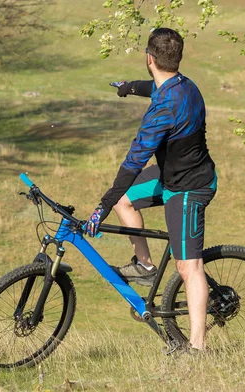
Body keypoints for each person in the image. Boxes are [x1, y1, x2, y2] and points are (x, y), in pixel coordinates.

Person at [86, 28, 217, 350]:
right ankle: (144, 265)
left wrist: (101, 206)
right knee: (126, 201)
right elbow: (155, 87)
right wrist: (129, 88)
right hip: (174, 172)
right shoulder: (184, 85)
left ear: (149, 58)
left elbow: (133, 162)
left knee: (189, 267)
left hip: (189, 187)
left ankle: (197, 346)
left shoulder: (163, 111)